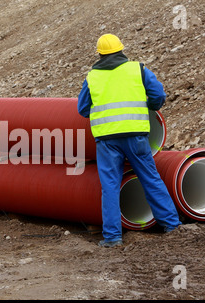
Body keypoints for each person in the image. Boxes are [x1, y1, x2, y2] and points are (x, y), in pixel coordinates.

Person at [77, 34, 181, 247]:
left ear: (99, 54)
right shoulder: (138, 69)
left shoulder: (93, 77)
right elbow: (158, 95)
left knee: (111, 186)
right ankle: (171, 225)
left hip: (107, 140)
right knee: (150, 178)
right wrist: (149, 106)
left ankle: (113, 238)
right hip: (136, 135)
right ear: (121, 50)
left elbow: (82, 109)